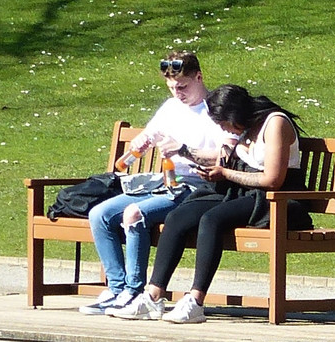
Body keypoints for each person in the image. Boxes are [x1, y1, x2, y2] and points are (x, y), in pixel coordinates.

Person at [110, 85, 307, 324]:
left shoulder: (275, 123)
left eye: (223, 124)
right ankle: (153, 296)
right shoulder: (244, 127)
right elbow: (225, 161)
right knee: (179, 216)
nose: (223, 130)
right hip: (243, 192)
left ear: (234, 116)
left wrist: (225, 173)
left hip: (277, 200)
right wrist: (193, 157)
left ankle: (195, 301)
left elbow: (272, 180)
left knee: (211, 219)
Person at [78, 51, 234, 315]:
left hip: (196, 186)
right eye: (171, 87)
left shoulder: (214, 110)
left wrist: (183, 149)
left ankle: (135, 291)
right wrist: (143, 140)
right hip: (162, 182)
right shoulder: (172, 107)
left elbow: (226, 154)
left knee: (134, 213)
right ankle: (117, 289)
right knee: (99, 214)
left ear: (199, 77)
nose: (178, 93)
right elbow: (151, 133)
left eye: (183, 86)